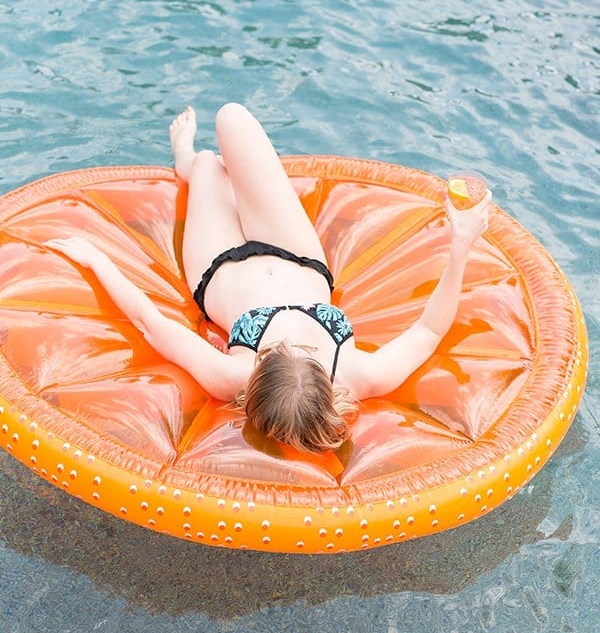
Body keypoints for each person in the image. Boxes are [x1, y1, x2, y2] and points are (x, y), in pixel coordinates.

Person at [46, 103, 490, 453]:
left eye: (279, 350)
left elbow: (150, 321)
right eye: (302, 350)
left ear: (256, 381)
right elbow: (429, 330)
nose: (291, 341)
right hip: (299, 255)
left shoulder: (231, 375)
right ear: (326, 383)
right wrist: (462, 243)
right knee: (231, 118)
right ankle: (217, 172)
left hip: (220, 264)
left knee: (206, 165)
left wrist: (96, 259)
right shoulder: (360, 372)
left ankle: (186, 161)